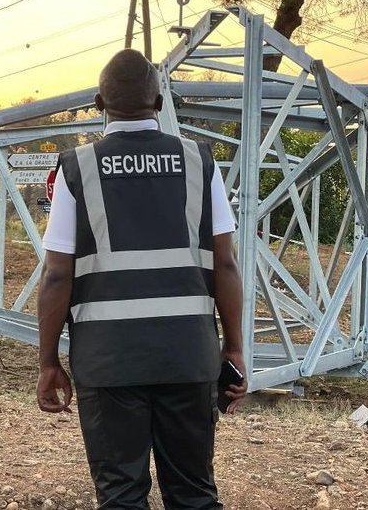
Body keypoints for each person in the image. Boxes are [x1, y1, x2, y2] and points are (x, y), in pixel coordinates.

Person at [37, 49, 247, 510]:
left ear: (99, 102)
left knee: (120, 497)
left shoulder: (77, 168)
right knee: (194, 494)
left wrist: (48, 360)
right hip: (188, 357)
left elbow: (56, 275)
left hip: (108, 362)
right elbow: (225, 266)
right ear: (159, 101)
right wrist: (232, 348)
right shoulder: (198, 161)